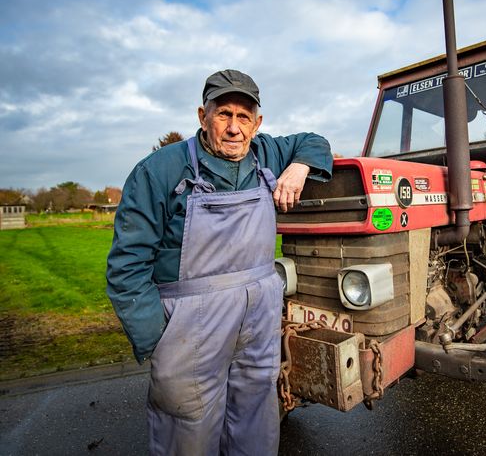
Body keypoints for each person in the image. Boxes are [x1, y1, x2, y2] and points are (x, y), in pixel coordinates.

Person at [106, 69, 332, 455]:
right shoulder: (159, 170)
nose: (234, 128)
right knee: (188, 427)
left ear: (257, 123)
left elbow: (314, 141)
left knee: (256, 416)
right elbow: (127, 265)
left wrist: (299, 167)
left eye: (244, 117)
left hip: (258, 316)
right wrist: (159, 336)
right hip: (191, 323)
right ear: (202, 116)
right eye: (223, 114)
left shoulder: (268, 153)